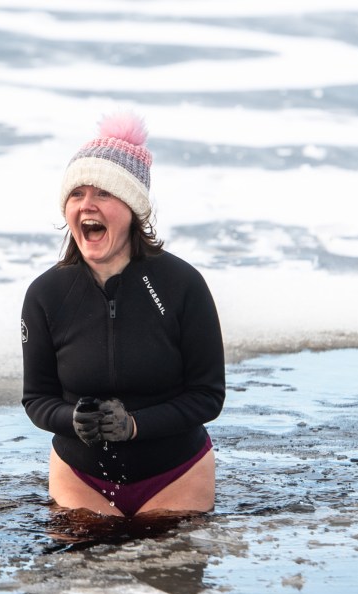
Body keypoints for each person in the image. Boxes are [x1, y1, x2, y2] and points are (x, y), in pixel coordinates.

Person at [20, 112, 225, 518]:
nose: (87, 205)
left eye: (104, 194)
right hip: (81, 478)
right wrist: (71, 419)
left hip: (176, 476)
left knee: (170, 573)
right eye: (76, 194)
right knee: (75, 578)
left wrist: (134, 426)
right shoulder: (46, 294)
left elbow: (208, 396)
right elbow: (36, 399)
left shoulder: (182, 285)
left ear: (132, 208)